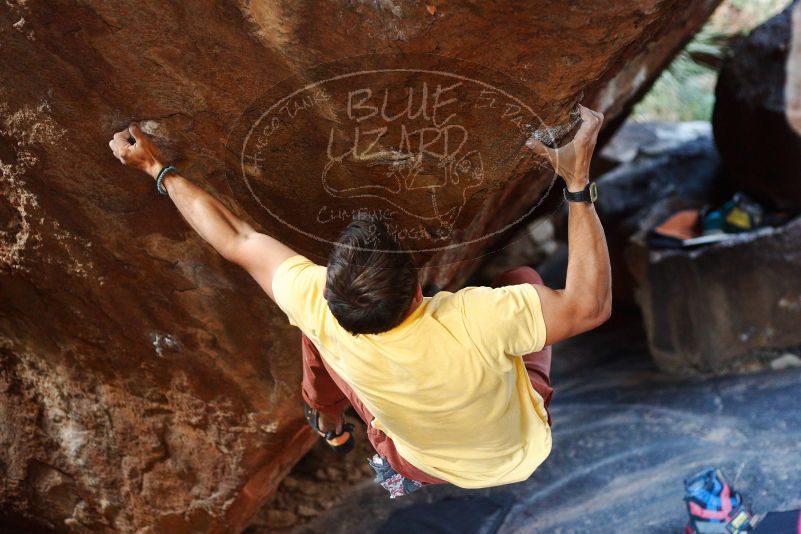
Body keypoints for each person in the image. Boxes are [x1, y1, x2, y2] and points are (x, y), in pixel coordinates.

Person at [108, 104, 611, 497]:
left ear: (330, 290)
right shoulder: (479, 318)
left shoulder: (317, 305)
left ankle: (326, 420)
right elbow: (588, 306)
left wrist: (155, 167)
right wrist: (576, 183)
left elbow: (236, 238)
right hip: (521, 452)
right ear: (419, 287)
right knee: (521, 277)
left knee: (314, 334)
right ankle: (332, 417)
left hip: (420, 463)